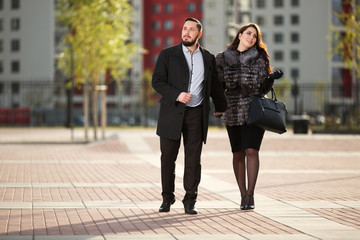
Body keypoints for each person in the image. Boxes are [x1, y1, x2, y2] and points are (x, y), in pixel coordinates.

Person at [152, 17, 227, 214]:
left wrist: (221, 107)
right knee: (168, 157)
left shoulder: (208, 58)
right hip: (171, 112)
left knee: (193, 158)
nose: (186, 32)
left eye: (191, 30)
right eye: (184, 28)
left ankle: (190, 199)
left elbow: (215, 85)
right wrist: (177, 94)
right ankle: (167, 198)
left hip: (197, 114)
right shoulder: (167, 54)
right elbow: (157, 81)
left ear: (199, 34)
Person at [215, 23, 283, 210]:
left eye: (255, 36)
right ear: (240, 35)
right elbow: (218, 85)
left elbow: (263, 89)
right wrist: (218, 105)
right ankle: (242, 194)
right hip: (232, 109)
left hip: (254, 109)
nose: (251, 37)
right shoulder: (222, 59)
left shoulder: (260, 59)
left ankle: (250, 195)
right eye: (248, 33)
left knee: (252, 150)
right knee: (237, 153)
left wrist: (271, 78)